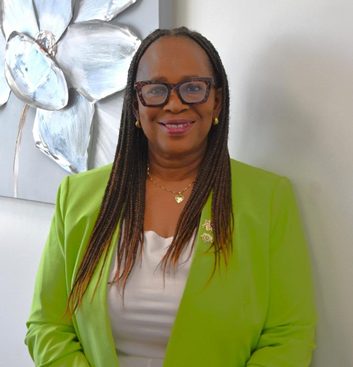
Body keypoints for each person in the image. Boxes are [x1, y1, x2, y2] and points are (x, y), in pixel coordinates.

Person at [25, 27, 318, 367]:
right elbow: (47, 326)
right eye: (156, 90)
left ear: (216, 100)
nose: (175, 104)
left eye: (193, 87)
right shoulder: (77, 197)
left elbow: (289, 334)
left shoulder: (267, 199)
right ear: (135, 105)